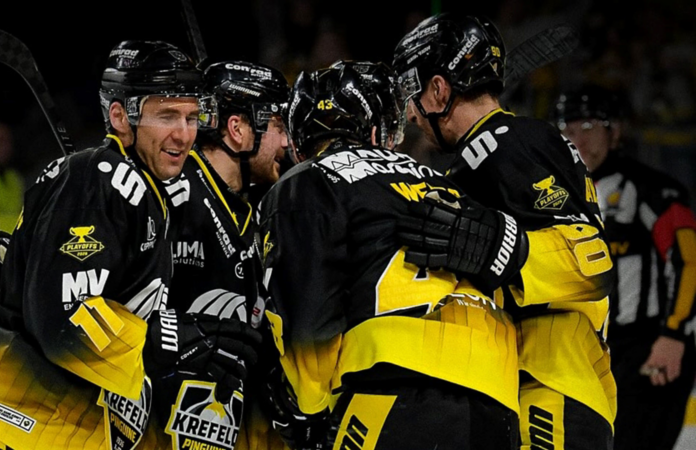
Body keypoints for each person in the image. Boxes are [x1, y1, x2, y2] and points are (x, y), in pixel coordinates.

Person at [0, 40, 261, 450]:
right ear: (120, 116)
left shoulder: (144, 195)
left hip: (64, 432)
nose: (184, 134)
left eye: (191, 117)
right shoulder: (100, 174)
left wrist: (2, 262)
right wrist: (171, 338)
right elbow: (63, 317)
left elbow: (42, 281)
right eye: (166, 115)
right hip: (16, 429)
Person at [260, 61, 521, 450]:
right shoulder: (442, 181)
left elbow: (309, 310)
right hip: (497, 395)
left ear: (299, 139)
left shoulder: (308, 180)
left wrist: (307, 411)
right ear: (375, 131)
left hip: (396, 387)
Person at [392, 13, 616, 450]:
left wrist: (496, 248)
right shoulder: (497, 145)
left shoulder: (501, 142)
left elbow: (591, 262)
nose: (412, 115)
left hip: (551, 382)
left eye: (412, 95)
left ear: (439, 90)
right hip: (537, 379)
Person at [554, 85, 696, 450]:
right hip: (581, 352)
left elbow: (689, 260)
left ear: (614, 131)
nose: (576, 140)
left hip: (647, 351)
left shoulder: (653, 190)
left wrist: (674, 336)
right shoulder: (554, 195)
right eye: (567, 130)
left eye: (587, 127)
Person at [158, 60, 290, 450]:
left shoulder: (253, 210)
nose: (286, 142)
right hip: (157, 424)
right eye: (278, 127)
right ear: (237, 130)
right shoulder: (170, 191)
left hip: (218, 423)